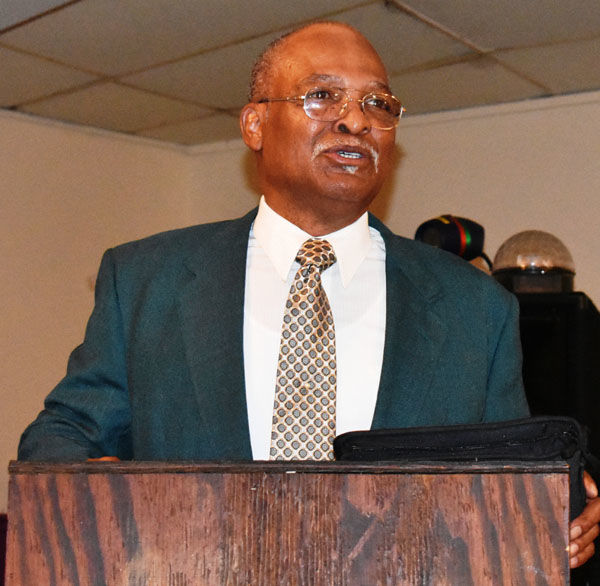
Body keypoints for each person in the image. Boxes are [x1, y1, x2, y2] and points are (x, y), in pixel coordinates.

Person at [18, 21, 599, 568]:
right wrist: (97, 494)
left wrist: (564, 501)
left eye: (378, 104)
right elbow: (59, 438)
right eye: (323, 96)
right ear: (254, 125)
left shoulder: (477, 307)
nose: (357, 121)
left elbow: (512, 472)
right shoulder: (148, 280)